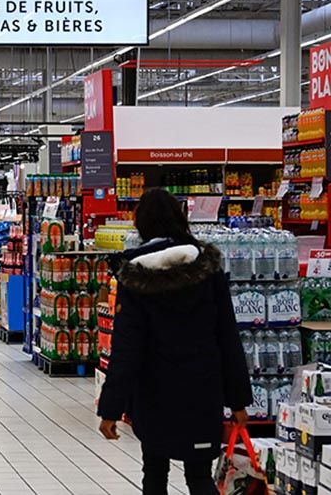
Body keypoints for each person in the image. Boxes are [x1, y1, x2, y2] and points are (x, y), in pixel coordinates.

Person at [97, 188, 251, 495]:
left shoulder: (136, 278)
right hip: (202, 389)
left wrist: (110, 408)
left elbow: (127, 348)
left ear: (142, 224)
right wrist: (238, 400)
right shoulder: (208, 271)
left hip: (154, 393)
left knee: (154, 472)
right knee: (199, 475)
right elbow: (227, 336)